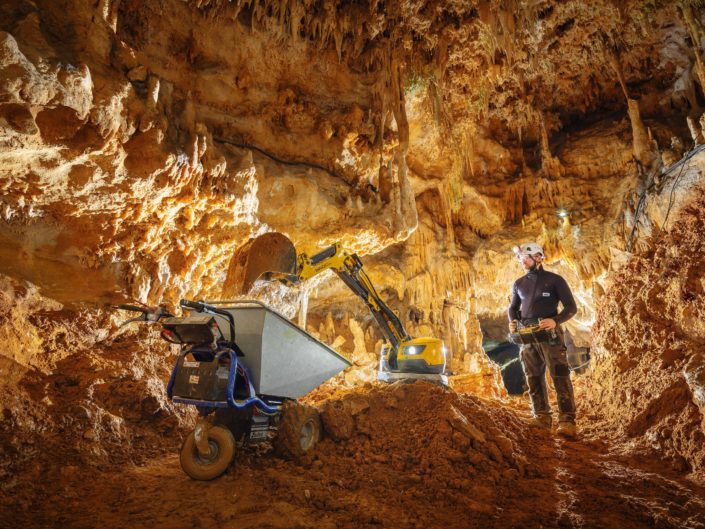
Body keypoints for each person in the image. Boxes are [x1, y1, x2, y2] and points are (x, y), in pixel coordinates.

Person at [507, 242, 578, 438]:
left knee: (560, 375)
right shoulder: (519, 284)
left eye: (526, 258)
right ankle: (541, 416)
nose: (523, 262)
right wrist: (512, 322)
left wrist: (555, 321)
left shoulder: (555, 280)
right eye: (521, 259)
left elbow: (571, 307)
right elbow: (513, 308)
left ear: (538, 257)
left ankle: (567, 420)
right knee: (533, 376)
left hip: (549, 334)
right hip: (527, 334)